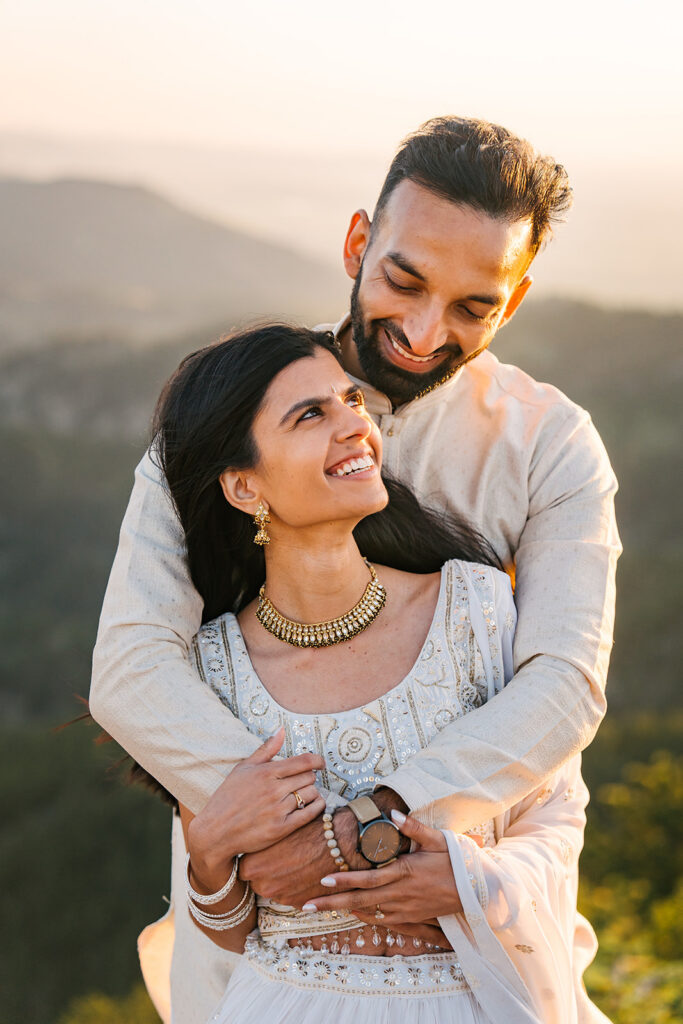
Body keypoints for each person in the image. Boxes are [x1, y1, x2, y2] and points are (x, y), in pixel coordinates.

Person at [89, 116, 620, 1020]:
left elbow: (564, 682)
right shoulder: (232, 408)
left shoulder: (549, 444)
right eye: (403, 282)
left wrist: (376, 817)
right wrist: (280, 833)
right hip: (265, 926)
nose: (421, 330)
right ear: (356, 244)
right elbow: (134, 666)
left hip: (469, 922)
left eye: (472, 307)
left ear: (515, 300)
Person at [145, 322, 608, 1023]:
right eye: (310, 414)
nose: (354, 426)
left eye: (351, 401)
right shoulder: (211, 668)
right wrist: (207, 858)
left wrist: (470, 884)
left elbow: (556, 812)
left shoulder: (474, 608)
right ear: (243, 486)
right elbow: (232, 931)